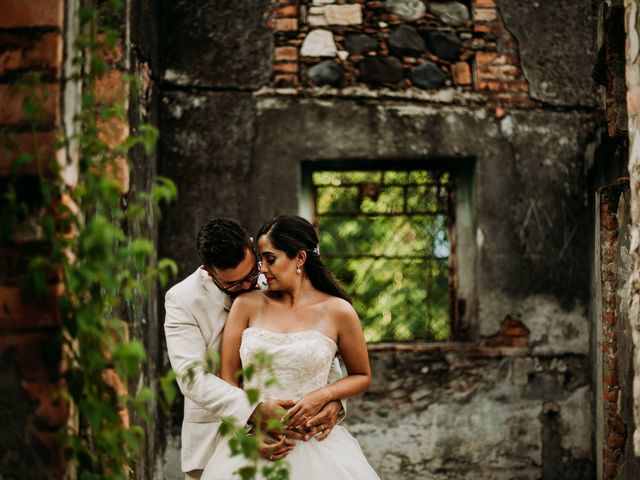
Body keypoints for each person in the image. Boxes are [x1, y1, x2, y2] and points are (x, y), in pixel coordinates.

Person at [164, 218, 345, 480]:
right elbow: (192, 378)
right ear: (208, 270)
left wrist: (334, 400)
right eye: (233, 285)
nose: (249, 286)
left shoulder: (274, 276)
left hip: (299, 439)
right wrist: (253, 413)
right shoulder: (182, 300)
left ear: (252, 247)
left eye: (251, 274)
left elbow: (317, 344)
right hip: (216, 439)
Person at [202, 215, 380, 480]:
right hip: (255, 445)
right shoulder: (246, 305)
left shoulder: (339, 311)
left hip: (318, 450)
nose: (262, 269)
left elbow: (361, 375)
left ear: (300, 258)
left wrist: (324, 396)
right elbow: (229, 378)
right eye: (261, 260)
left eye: (270, 259)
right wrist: (246, 433)